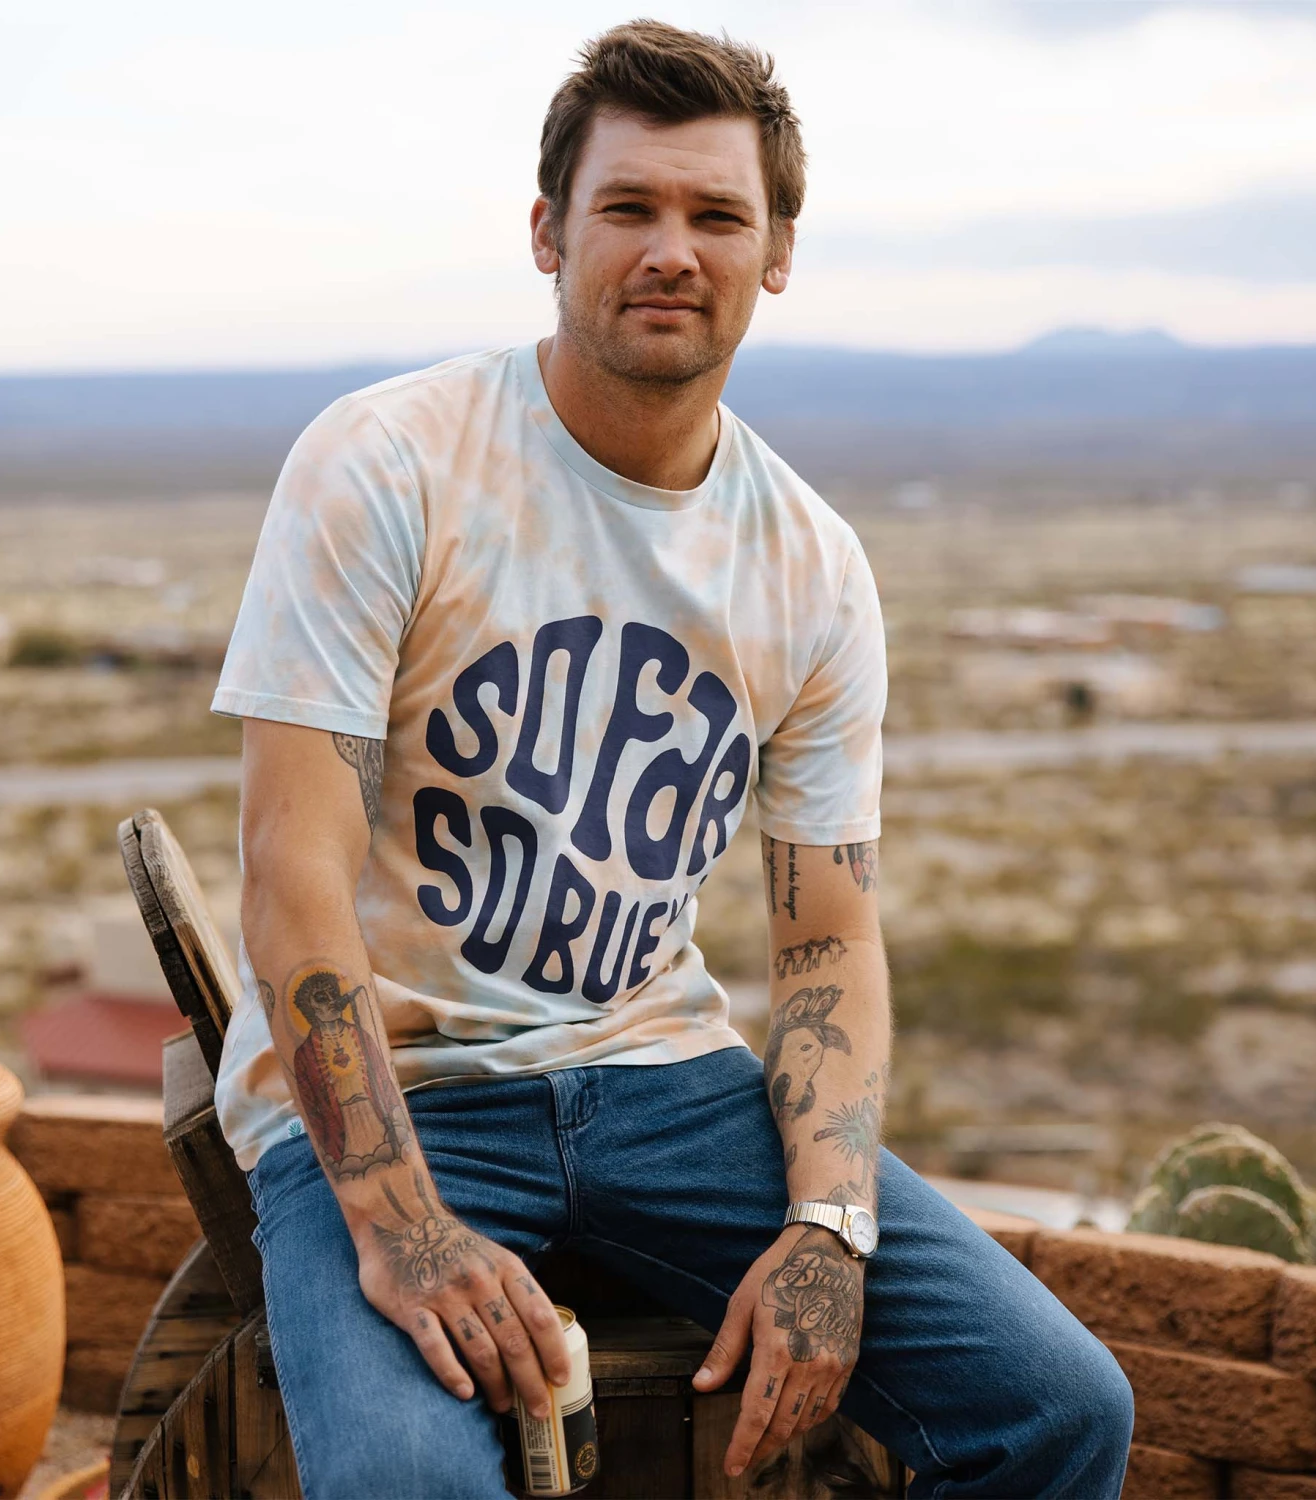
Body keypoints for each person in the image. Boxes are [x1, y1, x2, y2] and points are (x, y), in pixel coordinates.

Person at [211, 20, 1134, 1497]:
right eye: (628, 207)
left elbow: (828, 935)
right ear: (547, 233)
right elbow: (290, 874)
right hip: (409, 1092)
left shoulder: (812, 566)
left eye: (718, 216)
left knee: (1062, 1408)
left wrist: (829, 1226)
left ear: (778, 253)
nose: (670, 251)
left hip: (666, 1087)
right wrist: (401, 1222)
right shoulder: (387, 464)